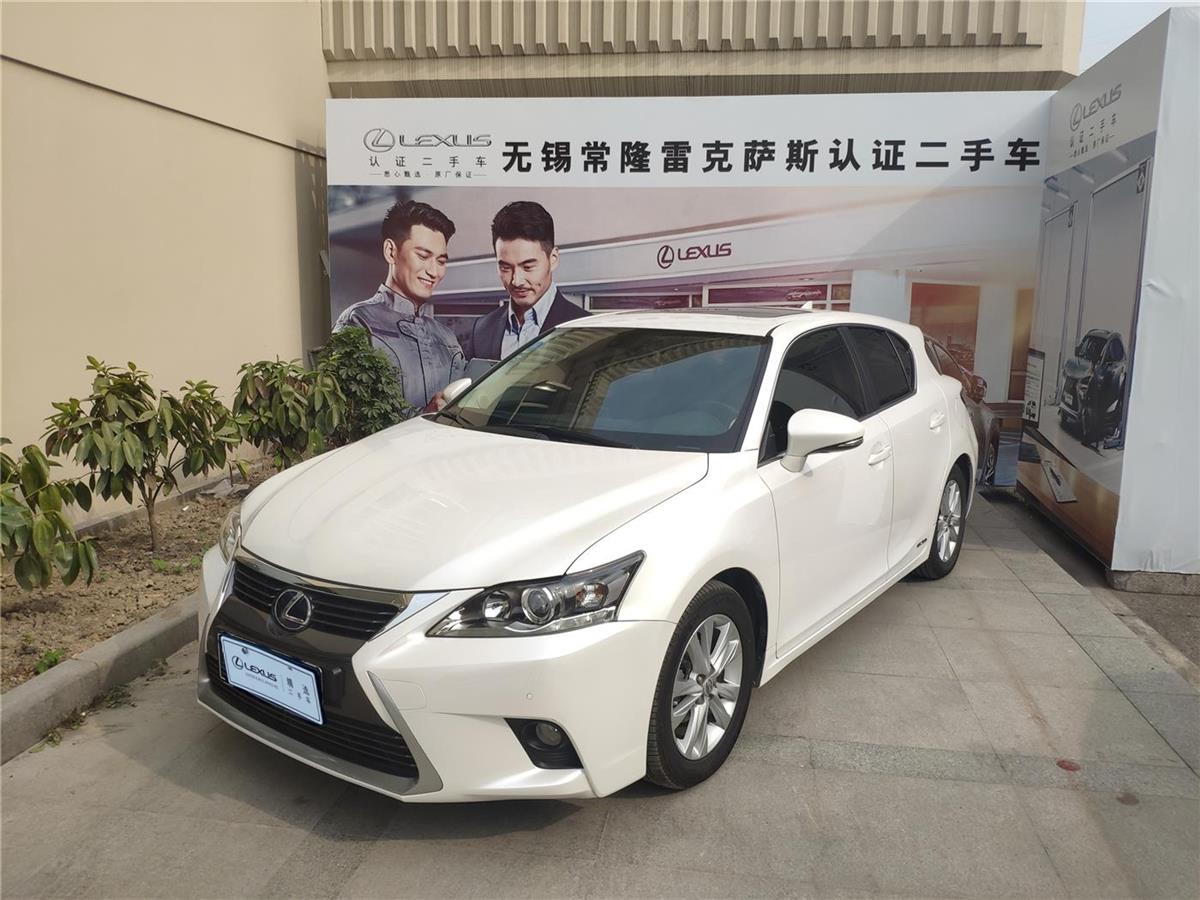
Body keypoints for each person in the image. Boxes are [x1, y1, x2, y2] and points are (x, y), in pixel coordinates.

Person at [333, 200, 465, 411]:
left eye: (441, 261)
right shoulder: (358, 323)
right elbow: (349, 414)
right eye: (423, 256)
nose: (434, 271)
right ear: (390, 251)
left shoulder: (447, 338)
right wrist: (426, 414)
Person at [464, 201, 589, 362]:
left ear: (553, 259)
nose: (517, 281)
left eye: (528, 267)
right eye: (505, 268)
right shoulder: (482, 329)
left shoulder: (586, 329)